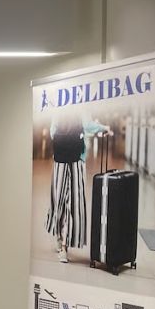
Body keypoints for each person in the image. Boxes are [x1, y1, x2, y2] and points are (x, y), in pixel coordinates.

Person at [46, 111, 111, 263]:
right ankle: (64, 247)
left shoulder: (59, 106)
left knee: (58, 200)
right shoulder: (82, 107)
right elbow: (87, 125)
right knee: (74, 203)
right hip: (77, 159)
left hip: (59, 160)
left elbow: (52, 131)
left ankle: (59, 238)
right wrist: (104, 128)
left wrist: (63, 142)